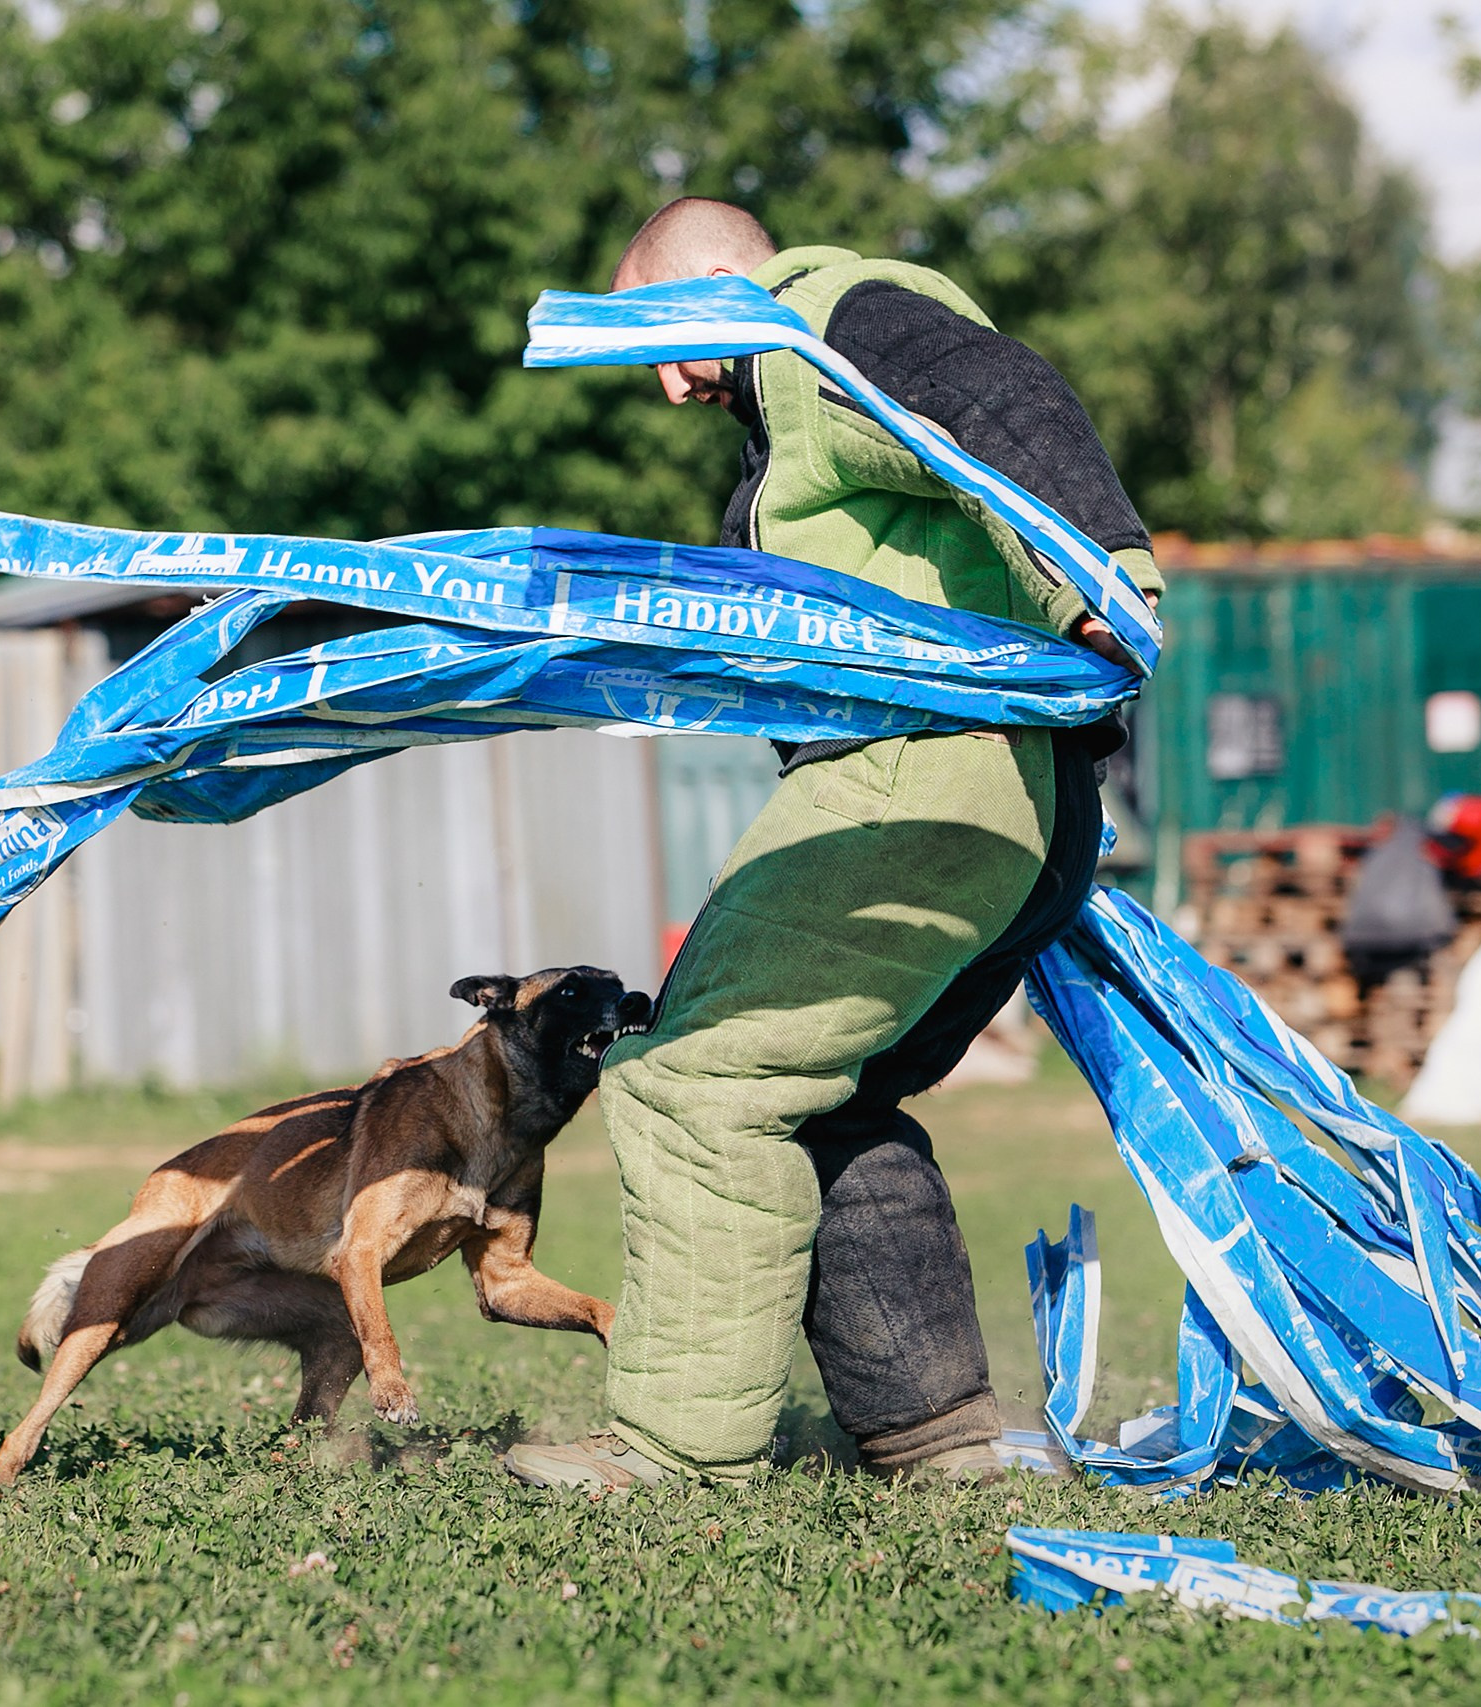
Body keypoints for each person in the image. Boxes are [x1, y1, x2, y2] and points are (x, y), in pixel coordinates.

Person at [505, 199, 1160, 1488]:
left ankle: (678, 1448)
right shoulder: (802, 387)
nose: (672, 390)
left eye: (658, 343)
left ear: (707, 283)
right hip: (1019, 808)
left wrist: (1101, 578)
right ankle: (939, 1432)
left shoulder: (828, 327)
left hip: (919, 781)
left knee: (695, 1082)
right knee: (830, 1095)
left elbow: (1002, 394)